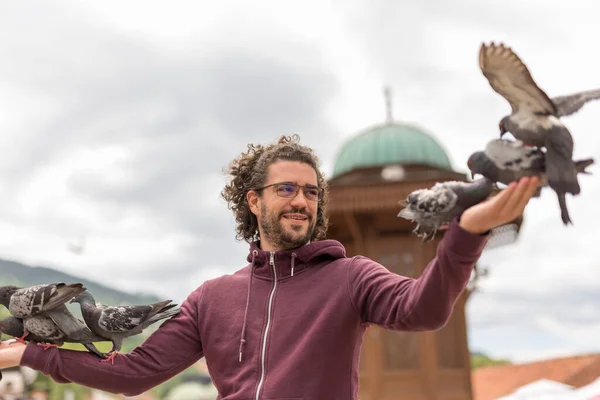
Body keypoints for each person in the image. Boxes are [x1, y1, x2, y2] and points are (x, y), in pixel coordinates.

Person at [0, 135, 540, 399]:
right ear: (254, 201)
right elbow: (135, 374)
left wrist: (466, 234)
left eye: (310, 191)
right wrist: (31, 352)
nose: (301, 200)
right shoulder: (211, 298)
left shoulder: (353, 277)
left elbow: (423, 310)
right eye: (286, 189)